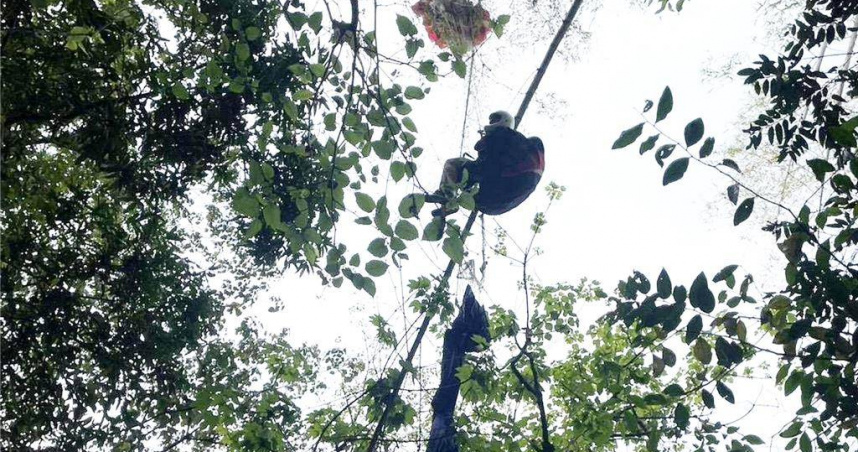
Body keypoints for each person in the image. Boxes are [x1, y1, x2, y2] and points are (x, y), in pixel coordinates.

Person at [428, 111, 545, 216]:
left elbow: (484, 160)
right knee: (469, 181)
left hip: (493, 191)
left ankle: (448, 198)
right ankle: (448, 204)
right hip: (493, 204)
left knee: (453, 164)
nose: (491, 123)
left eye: (495, 120)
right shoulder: (519, 146)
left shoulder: (502, 135)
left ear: (504, 121)